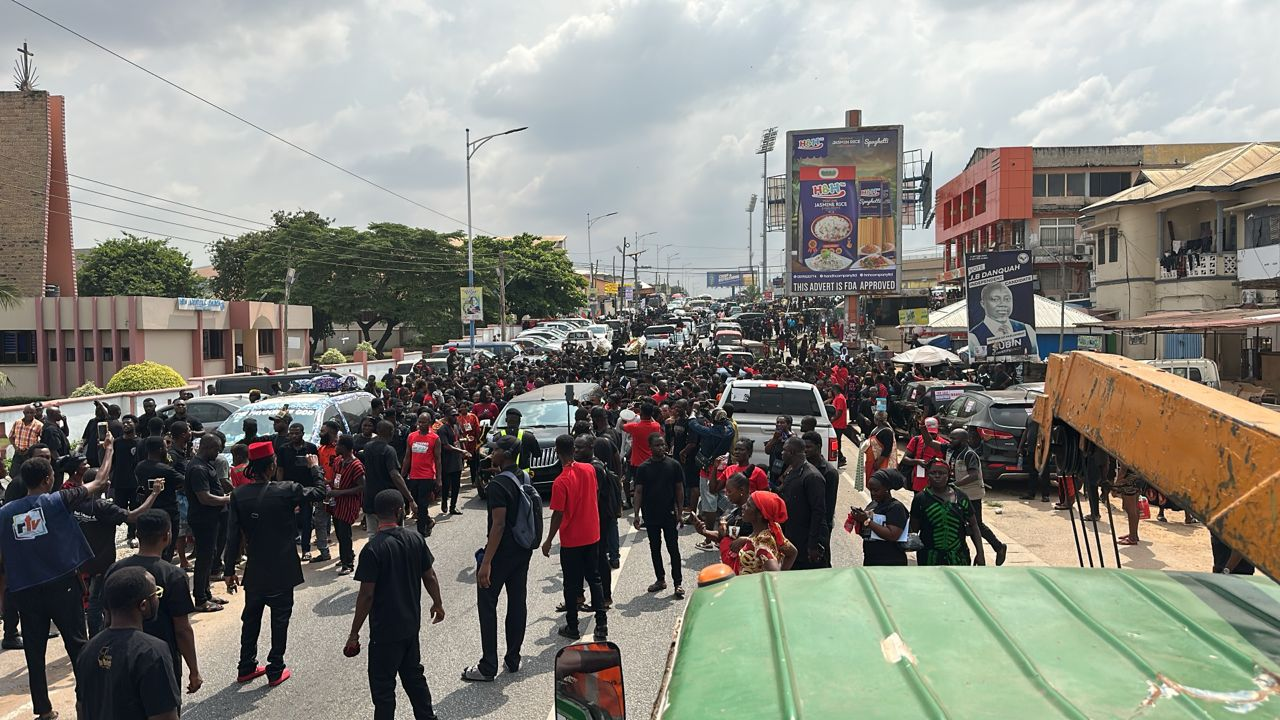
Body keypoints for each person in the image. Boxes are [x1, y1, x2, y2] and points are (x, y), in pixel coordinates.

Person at [0, 455, 106, 719]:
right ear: (48, 479)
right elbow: (101, 481)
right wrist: (109, 449)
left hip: (25, 590)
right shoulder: (57, 501)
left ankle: (44, 710)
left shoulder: (5, 513)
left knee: (34, 652)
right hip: (63, 585)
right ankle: (86, 701)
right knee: (77, 644)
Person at [223, 440, 326, 687]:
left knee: (251, 618)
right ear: (271, 465)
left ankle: (246, 666)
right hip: (282, 567)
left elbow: (232, 536)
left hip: (256, 568)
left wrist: (228, 571)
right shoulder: (287, 489)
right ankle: (275, 668)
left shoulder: (238, 494)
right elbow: (321, 492)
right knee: (280, 619)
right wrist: (315, 468)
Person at [345, 490, 445, 720]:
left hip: (384, 634)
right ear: (400, 511)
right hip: (410, 627)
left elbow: (366, 596)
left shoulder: (372, 549)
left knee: (383, 690)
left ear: (377, 514)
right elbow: (429, 576)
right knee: (414, 678)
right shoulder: (415, 539)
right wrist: (437, 603)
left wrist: (353, 633)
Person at [105, 510, 201, 696]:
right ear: (167, 536)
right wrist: (194, 670)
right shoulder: (174, 575)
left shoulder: (115, 570)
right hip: (161, 659)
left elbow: (107, 619)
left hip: (121, 656)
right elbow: (182, 629)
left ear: (138, 535)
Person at [463, 435, 531, 682]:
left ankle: (488, 665)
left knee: (487, 603)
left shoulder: (497, 485)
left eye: (495, 450)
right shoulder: (522, 476)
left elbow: (498, 525)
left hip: (502, 552)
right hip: (522, 550)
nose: (492, 453)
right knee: (517, 602)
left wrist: (487, 562)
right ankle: (513, 659)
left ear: (505, 454)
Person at [75, 567, 181, 720]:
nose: (158, 598)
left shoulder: (88, 649)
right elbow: (165, 717)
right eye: (156, 594)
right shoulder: (152, 652)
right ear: (143, 605)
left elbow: (81, 708)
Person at [542, 434, 608, 642]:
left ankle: (572, 625)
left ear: (556, 452)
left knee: (571, 584)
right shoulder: (589, 469)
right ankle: (601, 624)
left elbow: (558, 513)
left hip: (572, 540)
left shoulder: (561, 481)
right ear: (574, 449)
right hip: (592, 534)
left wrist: (548, 540)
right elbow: (595, 494)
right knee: (594, 578)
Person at [632, 434, 686, 599]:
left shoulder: (674, 465)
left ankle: (678, 583)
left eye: (663, 445)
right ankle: (660, 579)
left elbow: (679, 489)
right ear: (650, 447)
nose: (661, 448)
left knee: (673, 549)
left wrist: (680, 511)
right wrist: (636, 514)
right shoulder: (643, 468)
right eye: (657, 445)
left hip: (669, 514)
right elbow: (638, 492)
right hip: (651, 515)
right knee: (654, 548)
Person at [910, 459, 986, 566]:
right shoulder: (921, 499)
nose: (937, 476)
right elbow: (914, 529)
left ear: (949, 475)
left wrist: (980, 553)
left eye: (941, 473)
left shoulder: (961, 497)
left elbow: (974, 525)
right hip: (930, 558)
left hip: (959, 557)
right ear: (928, 475)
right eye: (933, 473)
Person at [948, 428, 1008, 566]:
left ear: (963, 441)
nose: (950, 441)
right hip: (959, 494)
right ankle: (983, 552)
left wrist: (954, 484)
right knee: (967, 525)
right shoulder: (952, 450)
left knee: (976, 525)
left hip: (971, 495)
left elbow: (974, 475)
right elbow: (931, 443)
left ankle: (998, 547)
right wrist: (923, 427)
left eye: (953, 438)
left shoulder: (970, 454)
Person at [186, 431, 230, 613]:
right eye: (217, 450)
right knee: (204, 559)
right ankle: (200, 599)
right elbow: (204, 498)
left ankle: (206, 592)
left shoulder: (206, 464)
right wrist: (228, 499)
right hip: (203, 519)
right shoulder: (198, 468)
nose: (218, 453)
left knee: (210, 556)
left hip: (212, 518)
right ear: (208, 448)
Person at [777, 436, 827, 570]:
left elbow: (818, 512)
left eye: (784, 450)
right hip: (792, 534)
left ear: (792, 452)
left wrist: (812, 544)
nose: (782, 453)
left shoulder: (812, 477)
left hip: (806, 539)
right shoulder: (792, 471)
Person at [134, 436, 185, 561]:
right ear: (161, 449)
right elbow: (184, 481)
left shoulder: (140, 466)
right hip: (168, 510)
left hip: (149, 509)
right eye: (165, 446)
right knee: (167, 546)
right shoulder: (165, 469)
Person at [363, 421, 416, 534]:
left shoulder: (367, 447)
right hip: (389, 500)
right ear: (391, 432)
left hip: (370, 497)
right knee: (396, 532)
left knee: (372, 534)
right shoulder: (389, 450)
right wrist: (410, 499)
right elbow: (395, 475)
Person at [725, 491, 797, 574]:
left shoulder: (762, 542)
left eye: (749, 505)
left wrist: (780, 577)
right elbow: (792, 552)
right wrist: (747, 540)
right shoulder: (772, 528)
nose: (743, 506)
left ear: (760, 514)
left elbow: (775, 573)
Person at [850, 469, 909, 566]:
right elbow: (868, 533)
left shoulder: (896, 507)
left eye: (876, 490)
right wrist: (858, 520)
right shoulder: (874, 504)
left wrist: (867, 521)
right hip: (871, 559)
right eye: (870, 490)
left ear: (887, 488)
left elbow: (892, 535)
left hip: (890, 562)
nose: (873, 493)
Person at [967, 280, 1039, 359]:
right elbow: (978, 364)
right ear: (983, 303)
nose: (1002, 304)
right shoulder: (974, 337)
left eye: (1007, 299)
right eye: (995, 299)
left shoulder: (1027, 330)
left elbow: (1035, 360)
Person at [328, 434, 365, 575]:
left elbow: (362, 486)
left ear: (344, 447)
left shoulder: (356, 465)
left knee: (345, 534)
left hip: (348, 503)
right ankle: (346, 555)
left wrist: (340, 493)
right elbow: (335, 479)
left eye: (337, 444)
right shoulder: (338, 461)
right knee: (338, 531)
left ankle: (348, 564)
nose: (335, 446)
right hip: (336, 503)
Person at [802, 431, 839, 566]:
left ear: (819, 447)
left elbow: (828, 506)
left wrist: (823, 532)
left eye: (809, 447)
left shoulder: (829, 472)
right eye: (803, 447)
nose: (805, 451)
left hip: (820, 526)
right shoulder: (801, 467)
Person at [402, 412, 442, 537]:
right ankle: (429, 521)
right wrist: (402, 473)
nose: (421, 424)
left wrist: (439, 479)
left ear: (429, 423)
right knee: (416, 503)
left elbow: (438, 459)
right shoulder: (411, 436)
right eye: (419, 422)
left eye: (424, 422)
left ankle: (421, 532)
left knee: (423, 504)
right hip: (413, 476)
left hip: (427, 476)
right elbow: (407, 457)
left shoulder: (435, 438)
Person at [436, 406, 469, 516]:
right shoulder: (442, 430)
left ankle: (453, 507)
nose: (455, 417)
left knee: (456, 485)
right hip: (447, 461)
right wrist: (461, 451)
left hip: (457, 461)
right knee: (446, 485)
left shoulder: (457, 426)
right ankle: (444, 502)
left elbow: (459, 439)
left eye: (456, 415)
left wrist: (464, 450)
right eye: (453, 415)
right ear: (446, 416)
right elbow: (446, 446)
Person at [901, 417, 947, 493]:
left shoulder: (943, 444)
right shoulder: (916, 440)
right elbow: (905, 459)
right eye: (928, 433)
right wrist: (918, 461)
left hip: (937, 482)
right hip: (919, 481)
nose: (930, 436)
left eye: (933, 434)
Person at [491, 407, 540, 473]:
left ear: (506, 420)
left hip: (503, 475)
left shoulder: (497, 437)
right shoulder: (529, 437)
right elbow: (537, 455)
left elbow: (493, 457)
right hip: (524, 476)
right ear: (519, 421)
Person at [1113, 462, 1143, 546]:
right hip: (1138, 477)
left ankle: (1132, 537)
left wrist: (1115, 486)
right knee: (1134, 507)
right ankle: (1134, 534)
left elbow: (1123, 469)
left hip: (1128, 480)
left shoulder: (1126, 450)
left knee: (1130, 509)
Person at [863, 411, 895, 486]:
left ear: (876, 419)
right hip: (872, 461)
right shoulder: (876, 429)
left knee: (881, 485)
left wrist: (878, 463)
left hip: (881, 464)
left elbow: (887, 449)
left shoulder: (887, 431)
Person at [764, 415, 793, 488]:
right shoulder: (776, 437)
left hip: (784, 475)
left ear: (788, 424)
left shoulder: (792, 438)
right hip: (774, 472)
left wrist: (784, 475)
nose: (779, 424)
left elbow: (794, 461)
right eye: (777, 422)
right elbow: (767, 451)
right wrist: (774, 439)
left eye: (782, 423)